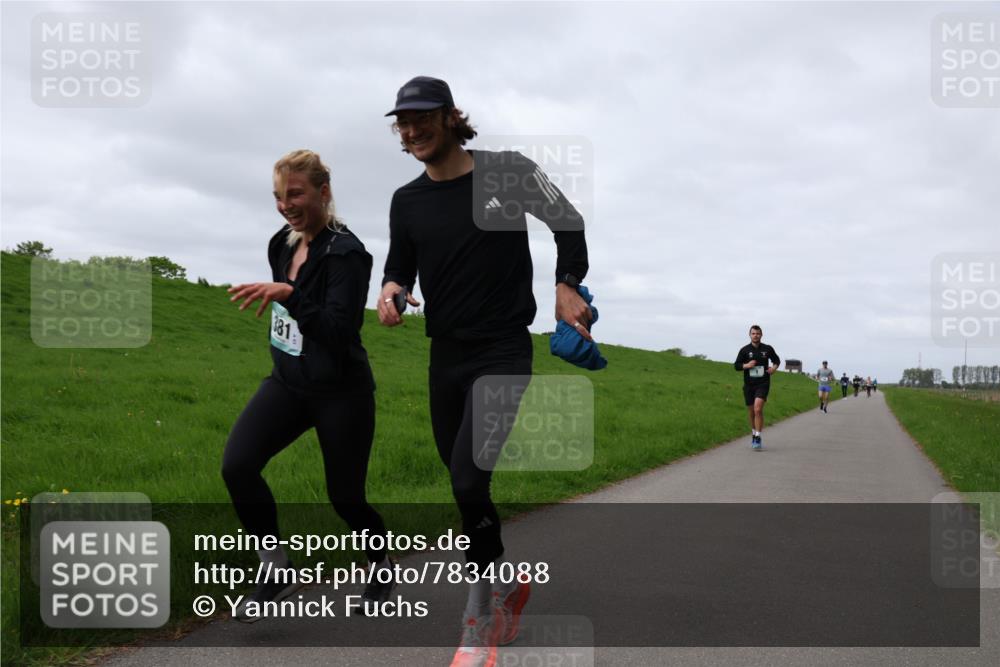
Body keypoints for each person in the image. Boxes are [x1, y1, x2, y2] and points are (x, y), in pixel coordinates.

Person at [377, 76, 591, 667]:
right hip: (444, 354)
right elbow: (401, 263)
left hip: (502, 349)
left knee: (470, 482)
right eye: (403, 122)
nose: (412, 130)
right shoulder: (407, 200)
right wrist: (393, 289)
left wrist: (566, 283)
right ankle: (505, 585)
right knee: (466, 486)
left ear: (450, 117)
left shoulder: (506, 170)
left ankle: (476, 625)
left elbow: (566, 220)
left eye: (423, 118)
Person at [223, 150, 393, 621]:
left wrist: (292, 296)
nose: (285, 204)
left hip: (341, 390)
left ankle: (380, 564)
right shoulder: (281, 242)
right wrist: (287, 302)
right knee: (237, 466)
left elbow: (339, 331)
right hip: (288, 382)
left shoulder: (348, 252)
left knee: (346, 498)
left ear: (323, 192)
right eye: (278, 196)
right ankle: (275, 570)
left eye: (295, 194)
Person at [734, 325, 780, 450]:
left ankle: (758, 436)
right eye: (753, 333)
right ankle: (754, 433)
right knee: (751, 411)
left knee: (758, 409)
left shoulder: (767, 349)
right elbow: (736, 366)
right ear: (750, 335)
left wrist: (773, 369)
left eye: (758, 333)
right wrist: (747, 365)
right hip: (749, 384)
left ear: (761, 335)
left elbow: (777, 360)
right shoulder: (744, 350)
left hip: (763, 383)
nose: (756, 335)